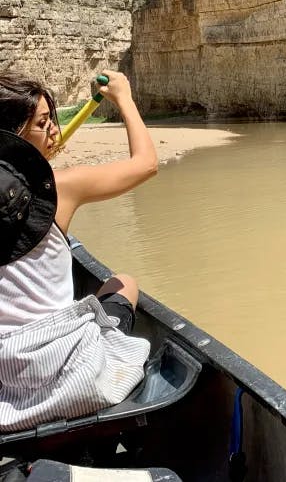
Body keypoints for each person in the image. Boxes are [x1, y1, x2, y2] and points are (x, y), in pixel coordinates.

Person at [0, 70, 158, 431]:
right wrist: (125, 99)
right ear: (13, 134)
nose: (55, 129)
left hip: (8, 394)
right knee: (124, 283)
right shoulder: (64, 186)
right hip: (78, 382)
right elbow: (146, 164)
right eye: (43, 122)